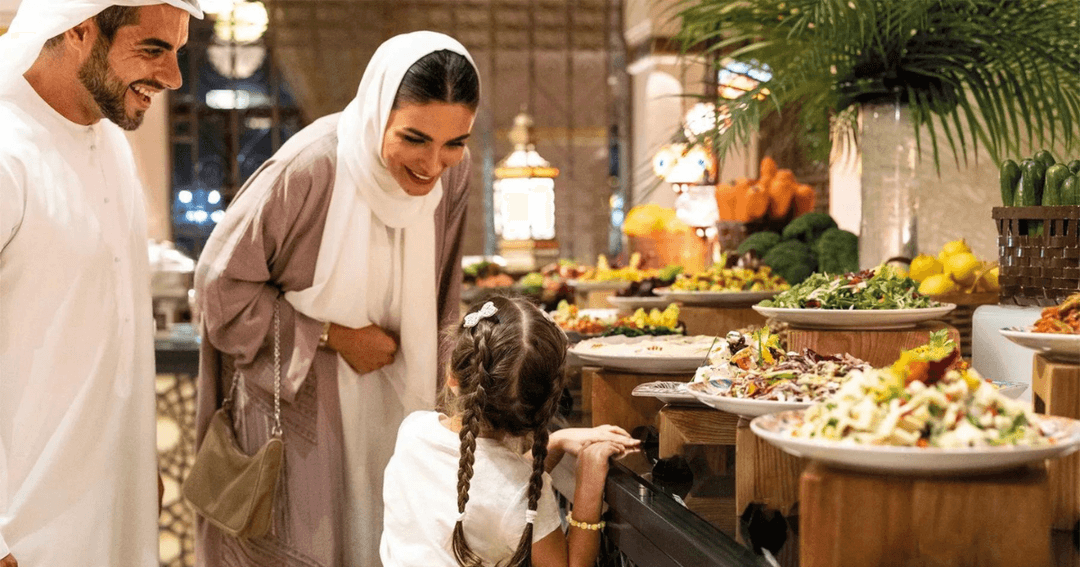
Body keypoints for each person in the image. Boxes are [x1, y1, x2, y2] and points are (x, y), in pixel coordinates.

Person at [194, 31, 476, 566]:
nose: (433, 163)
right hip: (302, 400)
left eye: (454, 143)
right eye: (414, 138)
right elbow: (220, 287)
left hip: (403, 404)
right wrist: (334, 337)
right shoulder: (312, 168)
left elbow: (446, 298)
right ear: (377, 113)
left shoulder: (451, 181)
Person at [0, 0, 202, 565]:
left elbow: (115, 325)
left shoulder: (110, 142)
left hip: (116, 506)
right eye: (153, 49)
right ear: (80, 29)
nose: (173, 77)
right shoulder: (6, 150)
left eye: (177, 52)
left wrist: (141, 465)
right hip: (25, 527)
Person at [381, 296, 640, 567]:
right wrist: (588, 483)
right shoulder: (520, 495)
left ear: (453, 375)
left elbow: (490, 489)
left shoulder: (412, 431)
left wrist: (557, 442)